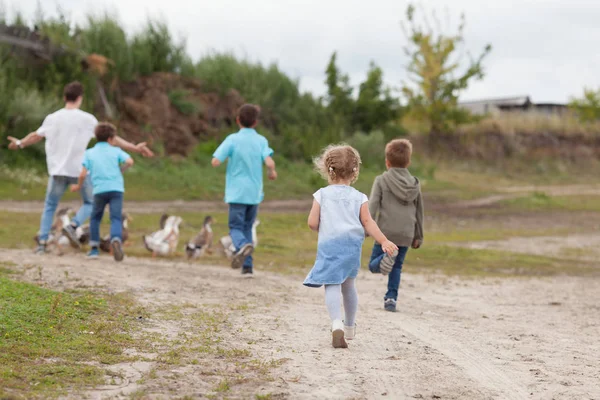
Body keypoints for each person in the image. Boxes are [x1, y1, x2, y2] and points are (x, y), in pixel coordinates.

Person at [7, 81, 153, 254]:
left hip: (57, 171)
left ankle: (42, 242)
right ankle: (73, 224)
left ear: (64, 97)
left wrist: (19, 143)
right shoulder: (87, 119)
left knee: (50, 206)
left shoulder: (52, 118)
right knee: (90, 203)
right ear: (80, 98)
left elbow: (36, 136)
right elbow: (111, 137)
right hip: (79, 170)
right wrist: (135, 148)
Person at [304, 144, 397, 348]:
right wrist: (384, 240)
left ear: (329, 170)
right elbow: (368, 223)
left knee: (332, 284)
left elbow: (312, 222)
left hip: (330, 246)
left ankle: (336, 323)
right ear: (355, 170)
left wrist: (325, 227)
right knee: (348, 286)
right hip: (351, 247)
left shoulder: (321, 195)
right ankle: (350, 327)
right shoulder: (359, 197)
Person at [211, 104, 277, 277]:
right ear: (255, 122)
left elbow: (216, 160)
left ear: (237, 120)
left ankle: (241, 246)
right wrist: (271, 171)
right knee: (248, 227)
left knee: (235, 227)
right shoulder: (261, 140)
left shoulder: (232, 139)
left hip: (236, 192)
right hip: (254, 193)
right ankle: (247, 267)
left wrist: (220, 161)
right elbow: (269, 162)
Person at [367, 139, 424, 312]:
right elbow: (419, 211)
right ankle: (391, 298)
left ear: (387, 162)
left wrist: (366, 228)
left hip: (385, 233)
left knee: (372, 266)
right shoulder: (414, 183)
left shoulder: (381, 180)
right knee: (397, 267)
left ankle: (385, 259)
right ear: (408, 162)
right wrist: (418, 235)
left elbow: (373, 206)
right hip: (406, 233)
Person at [70, 123, 133, 261]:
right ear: (111, 138)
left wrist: (78, 186)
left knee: (95, 218)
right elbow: (130, 161)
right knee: (115, 217)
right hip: (116, 188)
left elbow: (82, 174)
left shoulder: (89, 153)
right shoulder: (116, 151)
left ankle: (93, 249)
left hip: (99, 189)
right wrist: (120, 170)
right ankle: (116, 239)